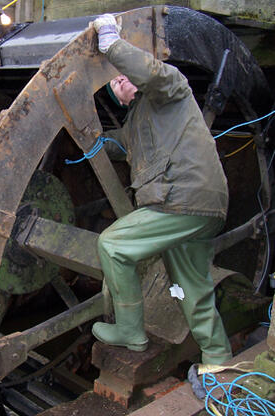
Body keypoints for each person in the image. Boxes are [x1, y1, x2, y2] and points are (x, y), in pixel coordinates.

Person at [90, 15, 232, 365]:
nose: (121, 77)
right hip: (200, 206)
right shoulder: (136, 123)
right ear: (120, 100)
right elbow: (110, 143)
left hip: (183, 199)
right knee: (193, 287)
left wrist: (111, 43)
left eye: (123, 74)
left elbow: (149, 72)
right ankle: (218, 357)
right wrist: (82, 138)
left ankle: (130, 332)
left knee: (113, 245)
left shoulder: (171, 89)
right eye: (116, 83)